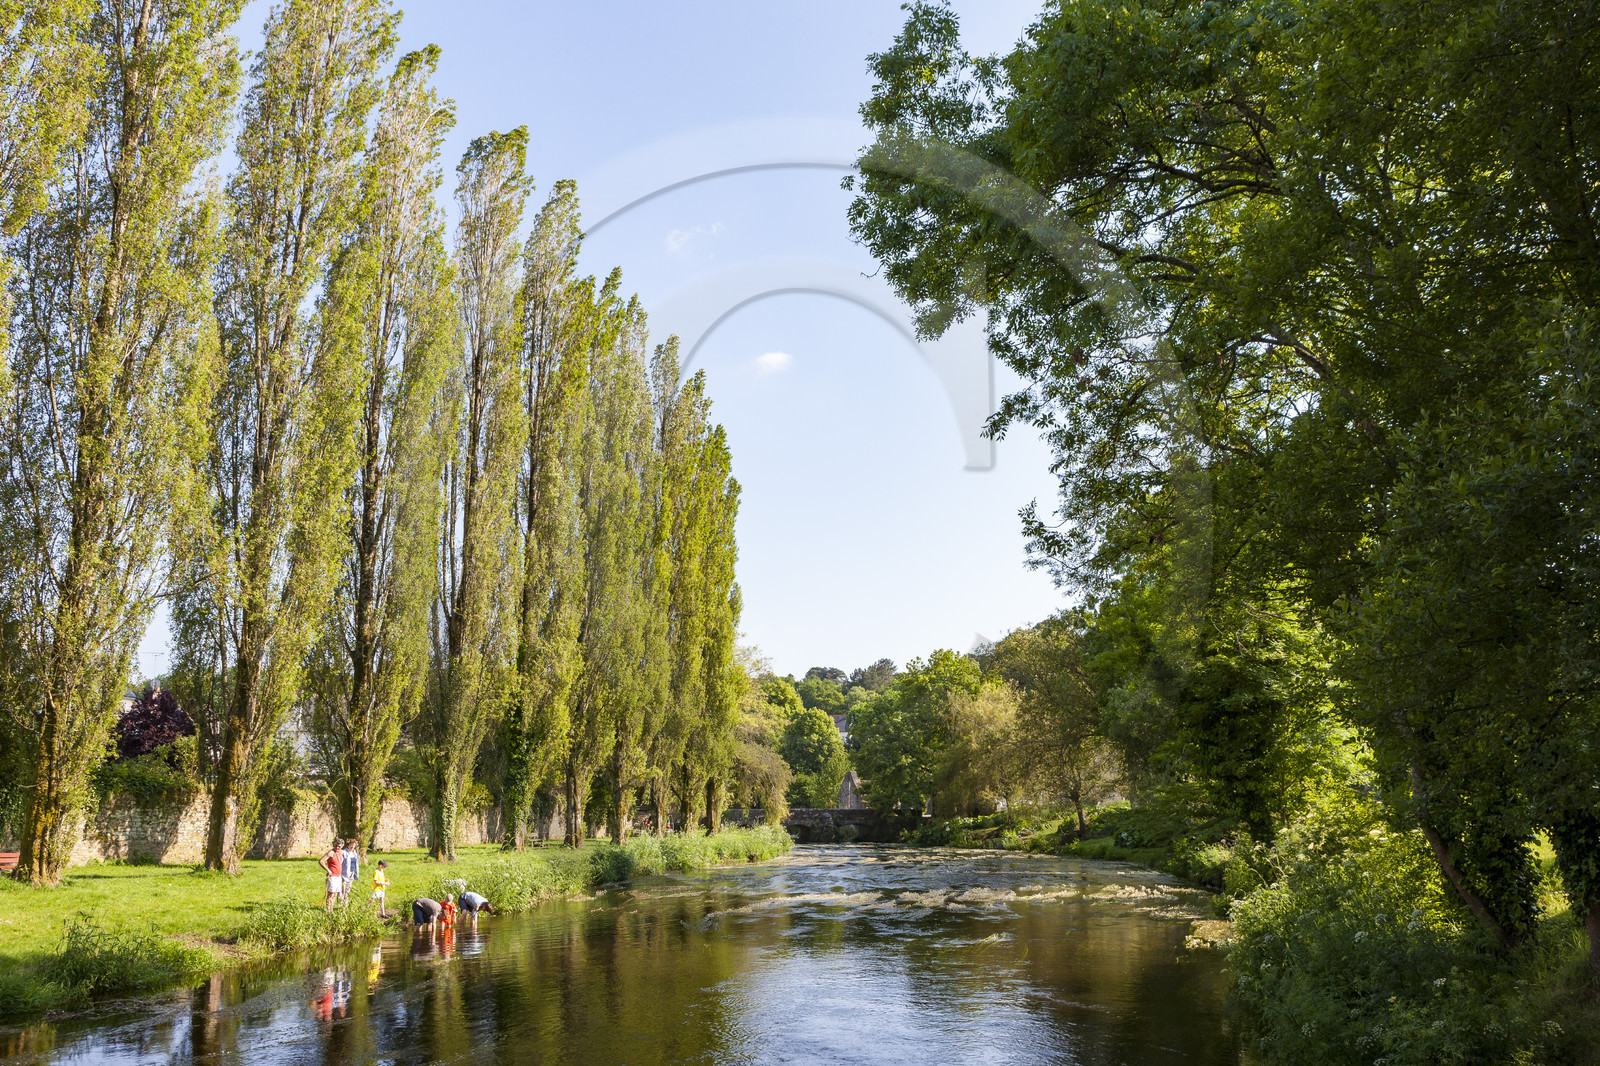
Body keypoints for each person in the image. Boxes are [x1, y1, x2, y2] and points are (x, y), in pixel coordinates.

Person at [320, 841, 342, 912]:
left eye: (339, 846)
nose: (337, 847)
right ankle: (328, 910)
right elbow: (321, 861)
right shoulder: (331, 852)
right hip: (332, 876)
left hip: (338, 876)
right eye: (336, 845)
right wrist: (328, 870)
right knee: (331, 894)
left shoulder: (341, 852)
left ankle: (331, 910)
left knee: (335, 894)